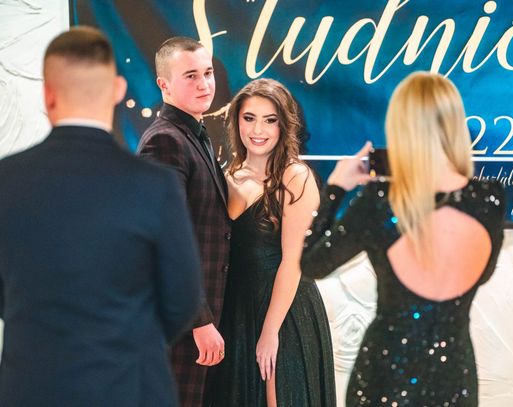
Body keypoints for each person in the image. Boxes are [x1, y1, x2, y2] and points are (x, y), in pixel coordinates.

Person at [0, 26, 202, 407]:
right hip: (131, 386)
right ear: (118, 90)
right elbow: (184, 298)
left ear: (48, 95)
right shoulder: (154, 185)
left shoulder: (5, 180)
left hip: (32, 388)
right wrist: (131, 341)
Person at [301, 72, 506, 406]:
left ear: (401, 128)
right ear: (454, 124)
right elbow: (482, 275)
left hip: (385, 377)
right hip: (454, 378)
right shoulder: (489, 200)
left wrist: (336, 188)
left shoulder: (381, 201)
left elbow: (312, 264)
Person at [211, 78, 336, 407]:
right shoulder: (227, 176)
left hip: (284, 311)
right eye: (249, 118)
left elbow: (294, 262)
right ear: (236, 121)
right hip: (238, 311)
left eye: (270, 120)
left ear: (284, 125)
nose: (258, 130)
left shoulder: (295, 177)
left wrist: (270, 332)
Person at [137, 36, 230, 406]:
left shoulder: (193, 134)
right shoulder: (165, 141)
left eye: (208, 73)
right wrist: (200, 321)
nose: (204, 84)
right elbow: (162, 240)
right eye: (190, 75)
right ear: (164, 84)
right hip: (181, 325)